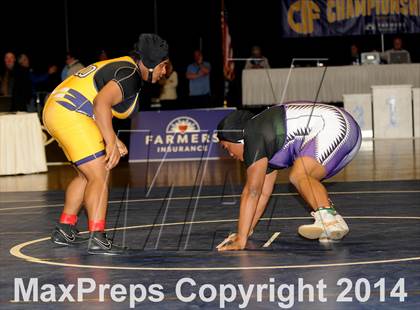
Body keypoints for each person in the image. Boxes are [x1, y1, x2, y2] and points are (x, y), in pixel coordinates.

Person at [43, 33, 169, 255]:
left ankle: (65, 228)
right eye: (162, 66)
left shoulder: (121, 65)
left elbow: (96, 101)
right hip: (71, 113)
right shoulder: (130, 74)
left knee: (86, 175)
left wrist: (113, 138)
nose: (164, 72)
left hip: (58, 109)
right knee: (99, 174)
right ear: (148, 64)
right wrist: (110, 141)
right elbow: (101, 103)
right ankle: (97, 236)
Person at [216, 102, 361, 251]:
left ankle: (328, 219)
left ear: (237, 139)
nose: (231, 154)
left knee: (299, 175)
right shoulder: (264, 145)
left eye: (227, 147)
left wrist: (241, 239)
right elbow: (263, 194)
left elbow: (252, 192)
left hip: (334, 124)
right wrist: (244, 232)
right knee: (305, 176)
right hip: (346, 132)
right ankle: (334, 220)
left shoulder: (253, 134)